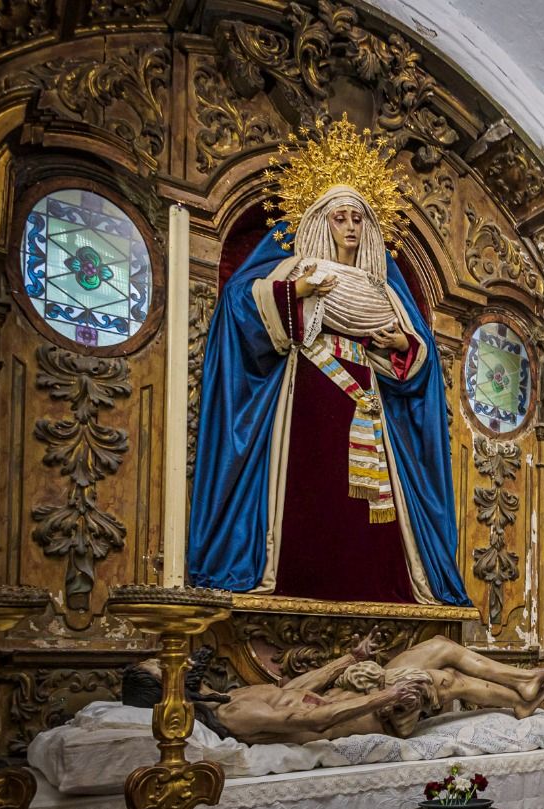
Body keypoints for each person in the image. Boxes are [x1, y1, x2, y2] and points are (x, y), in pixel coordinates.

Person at [189, 116, 469, 606]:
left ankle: (377, 588)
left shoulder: (383, 288)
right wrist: (299, 290)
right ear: (320, 221)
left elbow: (415, 353)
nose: (352, 227)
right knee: (309, 496)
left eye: (359, 218)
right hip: (309, 393)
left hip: (366, 397)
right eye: (341, 218)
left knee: (368, 513)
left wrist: (401, 347)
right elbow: (242, 306)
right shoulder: (299, 267)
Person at [121, 630, 544, 745]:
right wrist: (385, 696)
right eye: (162, 667)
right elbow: (311, 718)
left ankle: (522, 685)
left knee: (442, 646)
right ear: (163, 692)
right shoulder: (231, 715)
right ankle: (519, 697)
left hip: (355, 695)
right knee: (445, 681)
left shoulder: (228, 695)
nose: (172, 660)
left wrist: (351, 659)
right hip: (366, 716)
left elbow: (294, 687)